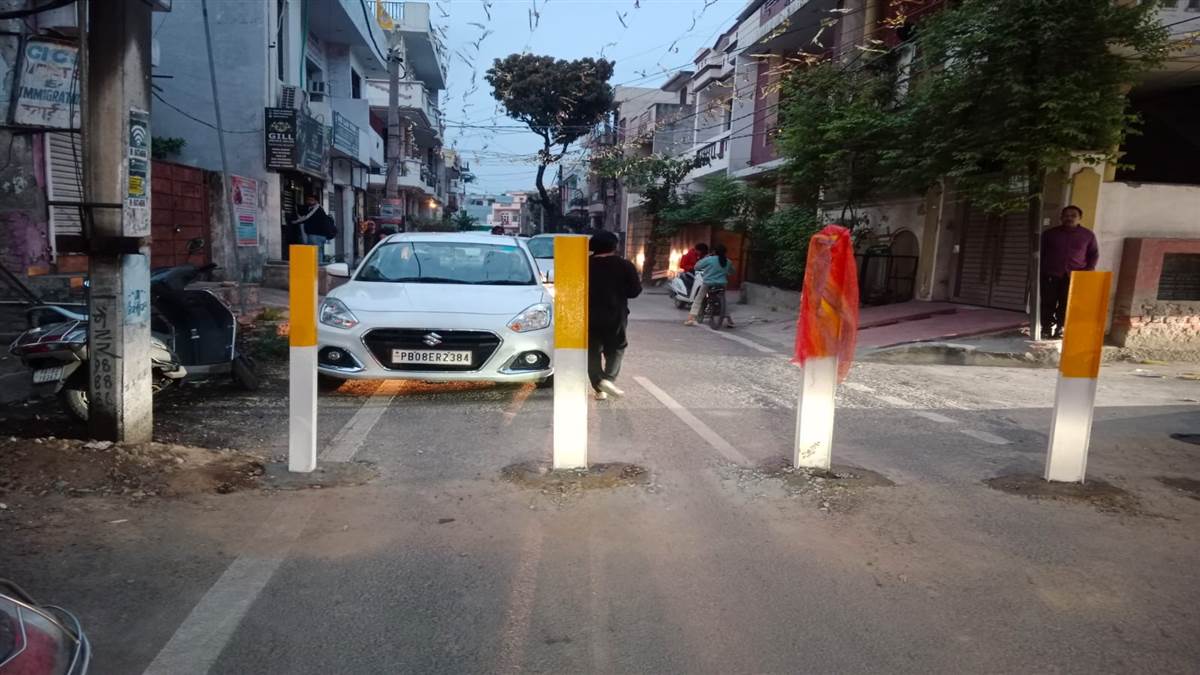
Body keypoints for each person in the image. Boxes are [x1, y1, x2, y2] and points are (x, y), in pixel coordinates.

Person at [588, 230, 642, 400]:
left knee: (592, 351)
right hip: (615, 315)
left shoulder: (584, 264)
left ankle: (599, 388)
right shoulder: (625, 265)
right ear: (614, 246)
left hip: (588, 316)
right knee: (616, 348)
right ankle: (608, 379)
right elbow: (635, 291)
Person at [1040, 205, 1098, 339]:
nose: (1069, 218)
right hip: (1051, 274)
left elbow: (1093, 254)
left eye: (1073, 216)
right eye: (1066, 215)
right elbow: (1041, 253)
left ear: (1079, 218)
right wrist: (1041, 272)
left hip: (1074, 276)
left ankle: (1061, 327)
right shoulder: (1050, 234)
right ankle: (1046, 328)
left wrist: (1088, 270)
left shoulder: (1088, 235)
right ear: (1061, 218)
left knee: (1067, 303)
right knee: (1047, 302)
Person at [685, 244, 735, 327]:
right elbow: (732, 272)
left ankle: (691, 318)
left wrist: (706, 258)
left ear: (714, 252)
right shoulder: (727, 261)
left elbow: (696, 267)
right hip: (722, 284)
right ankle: (730, 321)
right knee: (724, 302)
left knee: (699, 298)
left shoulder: (709, 259)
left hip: (708, 283)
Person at [291, 195, 336, 261]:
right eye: (308, 200)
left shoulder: (316, 208)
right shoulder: (313, 208)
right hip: (319, 235)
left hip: (316, 235)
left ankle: (317, 266)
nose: (309, 201)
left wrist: (294, 222)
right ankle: (318, 265)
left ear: (316, 201)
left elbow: (306, 217)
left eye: (311, 200)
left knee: (315, 253)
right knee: (318, 252)